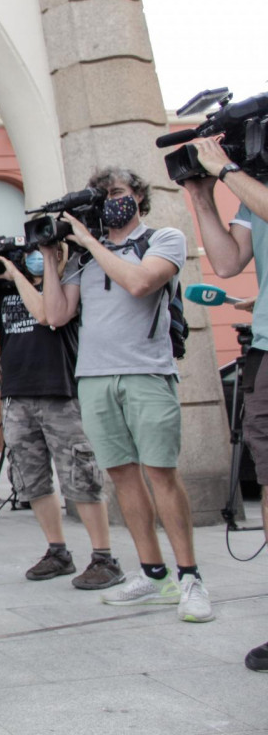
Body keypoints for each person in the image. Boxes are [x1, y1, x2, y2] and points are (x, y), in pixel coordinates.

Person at [42, 166, 213, 623]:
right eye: (100, 195)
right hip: (94, 377)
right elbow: (56, 315)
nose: (108, 201)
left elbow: (140, 283)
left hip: (146, 373)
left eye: (115, 192)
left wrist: (89, 241)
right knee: (123, 477)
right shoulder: (82, 258)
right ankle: (155, 576)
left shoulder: (163, 239)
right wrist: (51, 257)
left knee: (162, 474)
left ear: (137, 195)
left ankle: (191, 578)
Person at [0, 246, 121, 589]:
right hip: (17, 397)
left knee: (81, 477)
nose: (32, 258)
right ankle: (57, 552)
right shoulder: (4, 294)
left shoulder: (65, 285)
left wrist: (17, 277)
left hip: (60, 393)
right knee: (31, 479)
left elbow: (47, 315)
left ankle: (104, 557)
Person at [180, 135, 268, 664]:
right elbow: (228, 261)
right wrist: (203, 194)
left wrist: (228, 167)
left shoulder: (247, 181)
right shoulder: (249, 190)